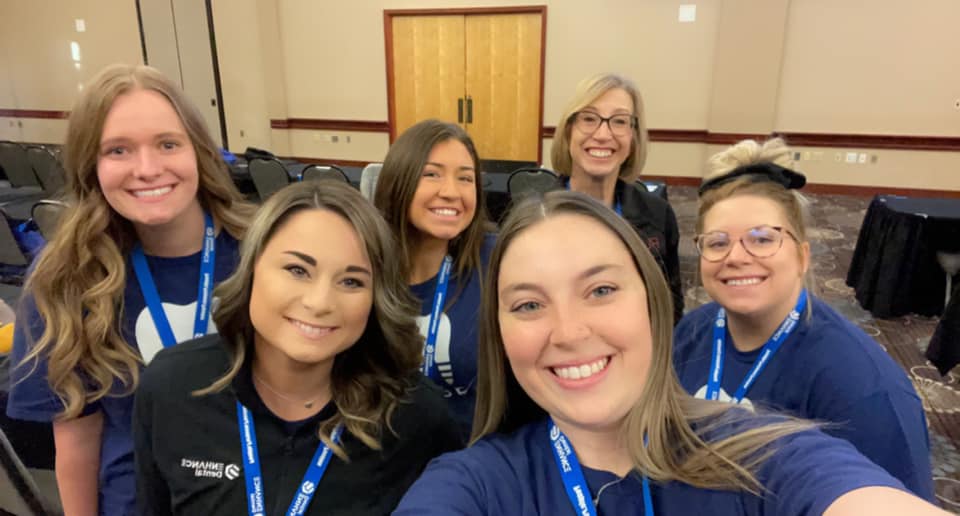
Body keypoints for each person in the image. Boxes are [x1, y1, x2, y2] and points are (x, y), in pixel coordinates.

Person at [394, 190, 948, 515]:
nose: (567, 331)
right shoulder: (476, 485)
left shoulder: (764, 458)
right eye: (529, 304)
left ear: (653, 305)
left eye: (601, 290)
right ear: (498, 333)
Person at [6, 64, 253, 516]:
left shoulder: (264, 252)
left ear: (199, 152)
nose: (148, 169)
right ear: (90, 165)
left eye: (168, 144)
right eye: (118, 150)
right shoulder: (65, 277)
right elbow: (77, 441)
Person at [134, 181, 461, 515]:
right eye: (297, 270)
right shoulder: (172, 388)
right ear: (252, 268)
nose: (320, 303)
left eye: (351, 281)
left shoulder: (415, 416)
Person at [672, 138, 934, 500]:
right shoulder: (692, 333)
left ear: (802, 256)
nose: (736, 257)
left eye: (762, 239)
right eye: (717, 242)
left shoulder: (865, 391)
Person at [374, 119, 495, 438]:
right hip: (387, 450)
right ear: (398, 181)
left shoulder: (499, 262)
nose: (451, 192)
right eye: (432, 174)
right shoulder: (366, 264)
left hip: (473, 451)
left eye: (465, 178)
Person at [551, 72, 683, 323]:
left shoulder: (658, 214)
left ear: (633, 137)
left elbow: (670, 307)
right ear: (568, 132)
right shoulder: (533, 216)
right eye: (589, 119)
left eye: (620, 121)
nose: (603, 134)